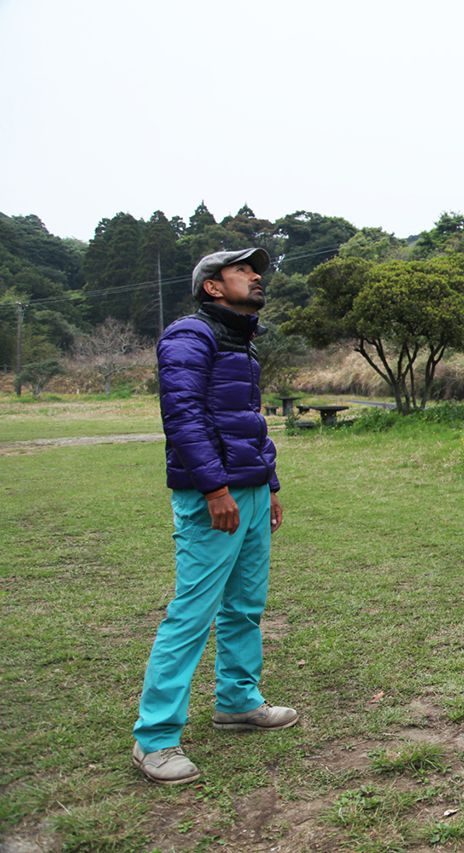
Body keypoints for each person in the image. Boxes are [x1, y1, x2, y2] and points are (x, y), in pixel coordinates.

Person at [131, 248, 296, 785]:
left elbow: (249, 423)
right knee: (192, 613)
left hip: (248, 491)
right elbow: (182, 416)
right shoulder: (189, 335)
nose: (255, 276)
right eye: (243, 270)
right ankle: (154, 740)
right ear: (212, 287)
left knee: (245, 605)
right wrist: (214, 487)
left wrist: (267, 485)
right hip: (214, 496)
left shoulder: (242, 343)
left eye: (257, 270)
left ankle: (238, 702)